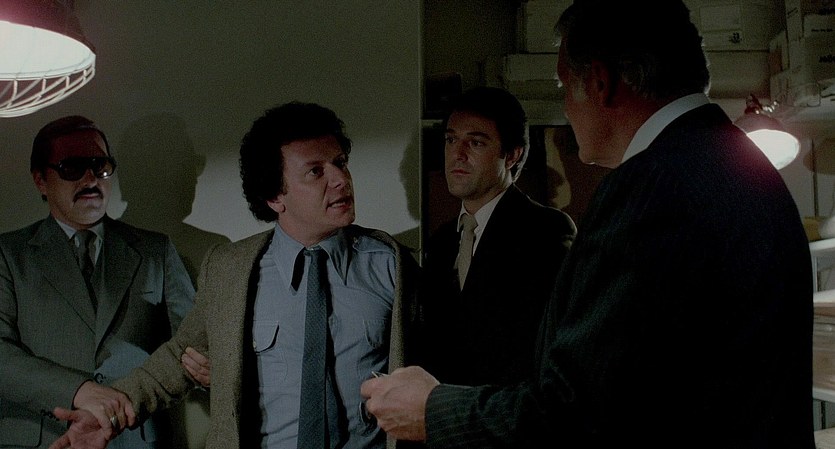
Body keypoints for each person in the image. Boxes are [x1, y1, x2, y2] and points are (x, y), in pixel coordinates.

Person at [360, 1, 815, 448]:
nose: (566, 107)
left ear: (600, 83)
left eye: (564, 87)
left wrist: (433, 410)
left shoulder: (650, 188)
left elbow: (576, 410)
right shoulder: (738, 162)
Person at [49, 101, 421, 449]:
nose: (340, 179)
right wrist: (110, 412)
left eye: (340, 162)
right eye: (316, 171)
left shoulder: (393, 265)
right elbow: (180, 358)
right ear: (275, 197)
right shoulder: (230, 269)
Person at [0, 115, 196, 448]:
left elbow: (193, 344)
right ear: (40, 180)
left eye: (100, 166)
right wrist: (78, 391)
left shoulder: (155, 251)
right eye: (72, 168)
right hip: (44, 439)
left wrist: (209, 373)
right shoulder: (8, 254)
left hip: (135, 439)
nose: (90, 178)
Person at [418, 86, 575, 386]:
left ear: (512, 155)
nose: (457, 155)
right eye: (451, 140)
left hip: (510, 407)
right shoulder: (442, 242)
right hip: (445, 409)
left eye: (476, 143)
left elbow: (547, 349)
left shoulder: (545, 231)